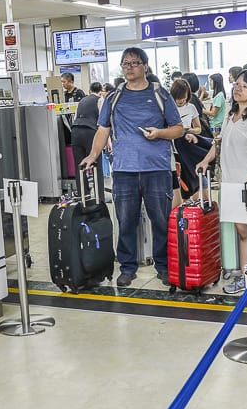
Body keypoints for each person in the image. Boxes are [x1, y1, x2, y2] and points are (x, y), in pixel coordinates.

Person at [79, 47, 184, 288]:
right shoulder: (114, 97)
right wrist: (93, 156)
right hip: (124, 169)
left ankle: (163, 266)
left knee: (160, 220)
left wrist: (159, 133)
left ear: (145, 67)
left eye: (135, 63)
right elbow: (103, 129)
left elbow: (178, 128)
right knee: (125, 220)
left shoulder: (160, 94)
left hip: (156, 168)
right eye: (125, 63)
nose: (129, 67)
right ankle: (127, 267)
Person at [195, 69, 247, 294]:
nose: (239, 88)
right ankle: (246, 276)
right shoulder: (231, 115)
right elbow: (220, 143)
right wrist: (206, 160)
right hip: (232, 184)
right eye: (238, 84)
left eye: (246, 86)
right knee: (242, 232)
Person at [71, 82, 106, 202]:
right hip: (90, 133)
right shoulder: (100, 100)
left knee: (79, 165)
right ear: (100, 91)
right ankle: (99, 198)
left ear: (90, 90)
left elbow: (75, 118)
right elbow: (103, 121)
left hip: (75, 132)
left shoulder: (81, 101)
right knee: (96, 164)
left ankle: (83, 196)